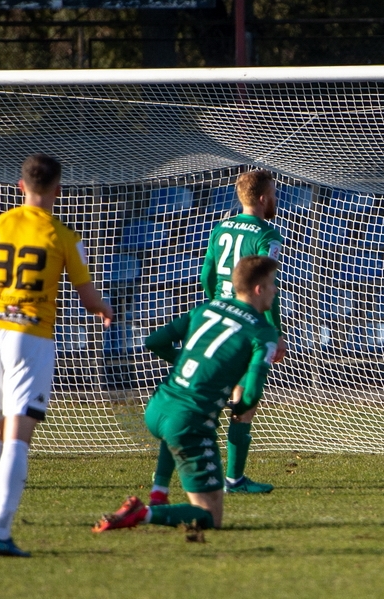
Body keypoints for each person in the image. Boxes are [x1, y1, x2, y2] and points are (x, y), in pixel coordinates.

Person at [0, 154, 114, 557]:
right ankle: (0, 532)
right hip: (31, 338)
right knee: (18, 435)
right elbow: (86, 296)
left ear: (20, 186)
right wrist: (104, 309)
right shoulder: (63, 235)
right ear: (58, 190)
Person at [92, 255, 280, 534]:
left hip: (158, 407)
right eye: (273, 284)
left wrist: (186, 363)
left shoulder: (204, 309)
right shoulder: (262, 332)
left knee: (171, 433)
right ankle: (143, 513)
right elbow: (252, 392)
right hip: (188, 422)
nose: (275, 290)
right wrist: (239, 409)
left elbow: (155, 341)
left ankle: (159, 492)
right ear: (258, 289)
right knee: (210, 518)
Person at [149, 169, 285, 502]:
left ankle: (161, 484)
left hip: (215, 315)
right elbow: (267, 288)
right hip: (246, 319)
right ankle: (234, 478)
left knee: (197, 393)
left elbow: (205, 273)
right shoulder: (267, 235)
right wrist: (275, 331)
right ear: (265, 198)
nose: (276, 199)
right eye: (275, 193)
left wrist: (214, 304)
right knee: (242, 402)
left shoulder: (220, 227)